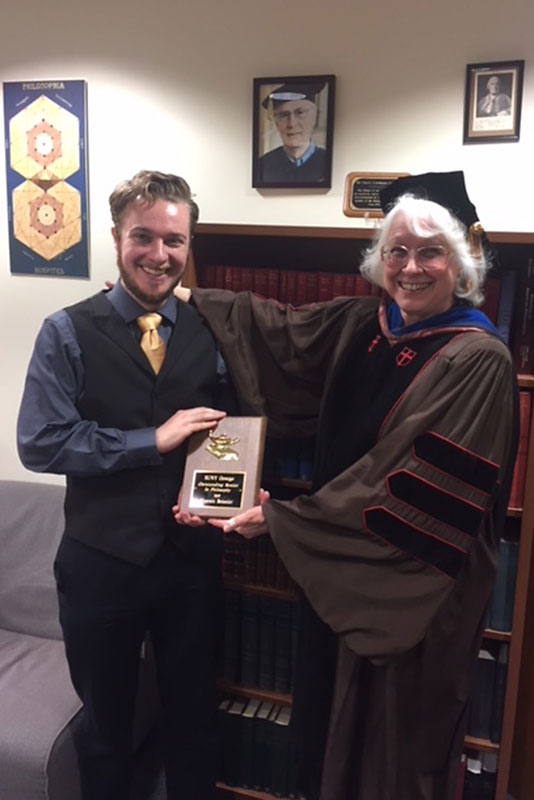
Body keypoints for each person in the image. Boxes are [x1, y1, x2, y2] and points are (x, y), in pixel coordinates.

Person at [174, 171, 518, 800]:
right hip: (341, 564)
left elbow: (409, 487)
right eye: (397, 251)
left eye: (431, 251)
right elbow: (280, 331)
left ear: (462, 262)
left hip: (413, 585)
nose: (411, 268)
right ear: (379, 260)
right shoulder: (367, 323)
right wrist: (186, 300)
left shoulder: (478, 359)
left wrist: (283, 522)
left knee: (392, 745)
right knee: (329, 724)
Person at [17, 170, 235, 800]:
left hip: (191, 561)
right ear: (116, 237)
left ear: (189, 243)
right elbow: (40, 441)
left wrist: (230, 493)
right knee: (106, 729)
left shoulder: (213, 330)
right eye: (144, 237)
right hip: (99, 565)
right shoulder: (65, 331)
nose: (160, 255)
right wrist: (152, 440)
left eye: (175, 240)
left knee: (194, 720)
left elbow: (231, 424)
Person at [258, 82, 329, 184]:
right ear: (276, 123)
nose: (291, 124)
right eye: (283, 115)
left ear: (314, 117)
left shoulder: (326, 162)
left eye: (300, 113)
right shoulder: (263, 165)